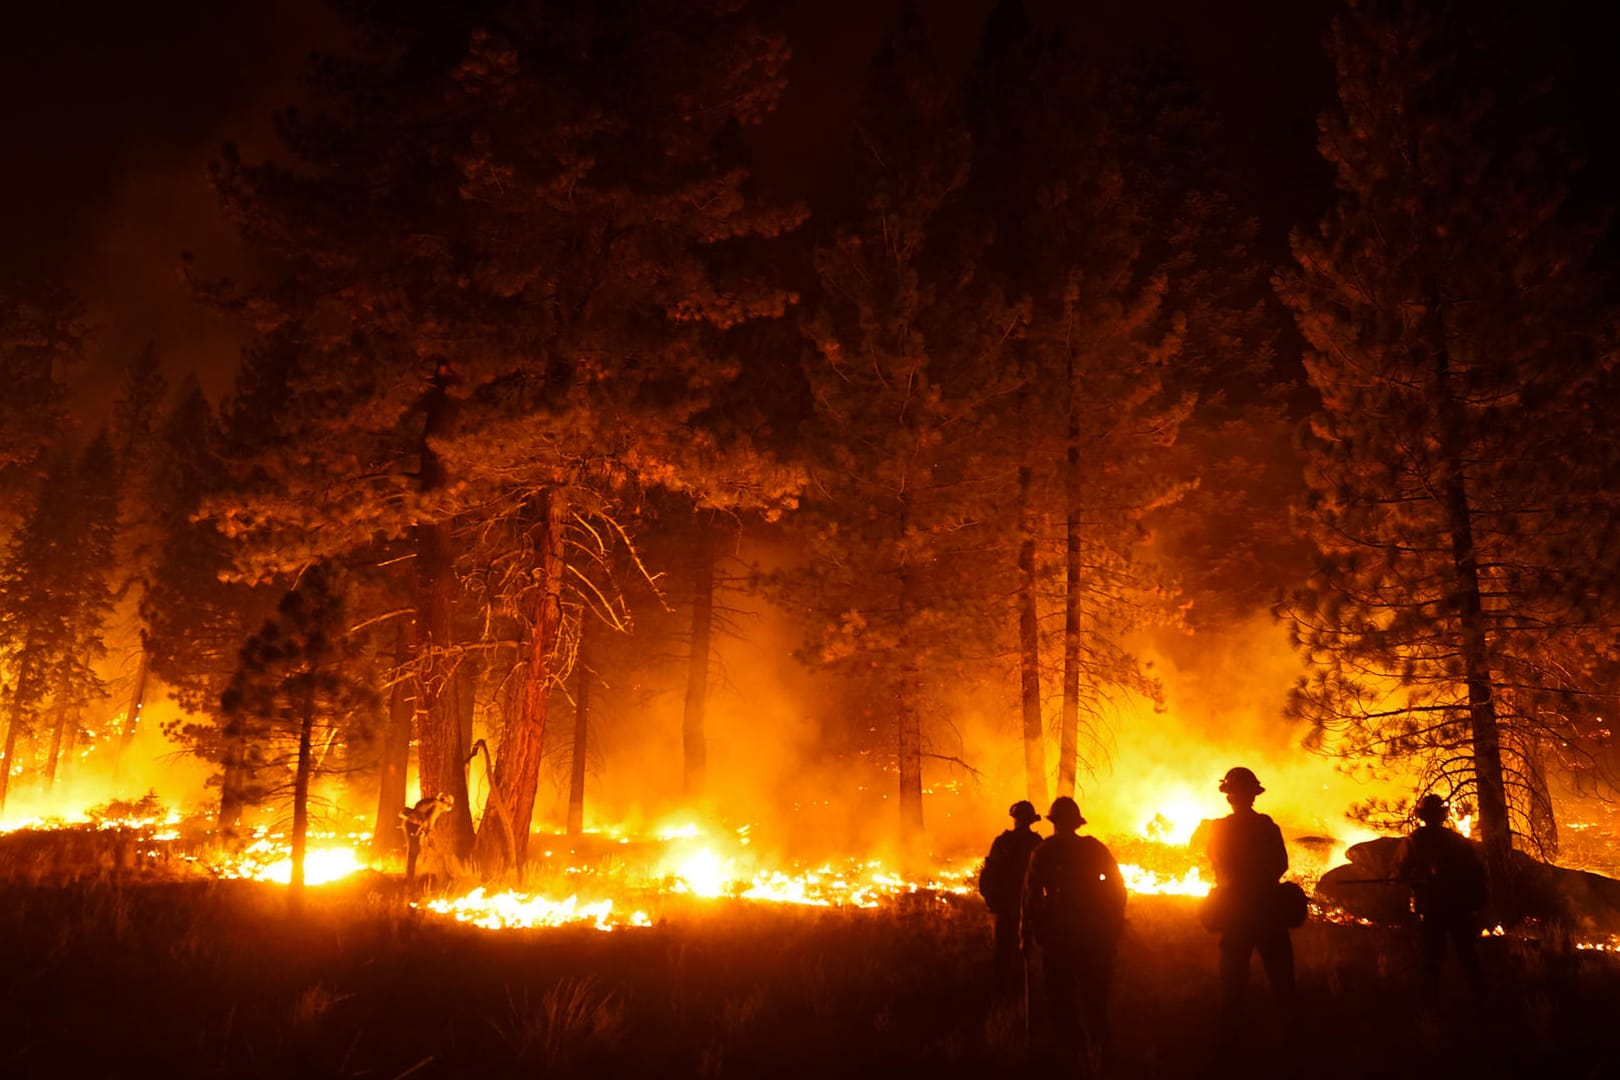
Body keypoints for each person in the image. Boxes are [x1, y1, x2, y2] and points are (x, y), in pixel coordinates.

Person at [1021, 796, 1127, 1067]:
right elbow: (1118, 889)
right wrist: (1112, 925)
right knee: (1095, 997)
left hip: (1060, 938)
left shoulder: (1045, 851)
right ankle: (1100, 1052)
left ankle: (1076, 1052)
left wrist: (1028, 932)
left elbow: (1031, 896)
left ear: (1054, 823)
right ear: (1076, 823)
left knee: (1060, 998)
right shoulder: (1093, 849)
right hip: (1092, 936)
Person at [1206, 766, 1294, 1041]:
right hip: (1269, 911)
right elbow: (1281, 864)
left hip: (1236, 912)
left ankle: (1229, 1043)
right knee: (1282, 980)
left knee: (1232, 982)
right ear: (1254, 796)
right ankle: (1291, 1039)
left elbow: (1216, 863)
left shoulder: (1219, 829)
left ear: (1229, 796)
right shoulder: (1268, 826)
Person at [1396, 793, 1486, 1007]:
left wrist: (1407, 880)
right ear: (1442, 816)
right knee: (1468, 955)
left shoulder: (1415, 840)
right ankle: (1481, 997)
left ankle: (1430, 1003)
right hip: (1459, 907)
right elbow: (1475, 871)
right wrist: (1476, 902)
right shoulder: (1456, 840)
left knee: (1431, 958)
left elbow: (1400, 871)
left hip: (1432, 907)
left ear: (1423, 816)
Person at [978, 799, 1044, 997]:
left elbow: (988, 875)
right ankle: (1019, 993)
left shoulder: (1003, 842)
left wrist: (992, 900)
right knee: (1023, 952)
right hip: (1025, 906)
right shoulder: (1036, 844)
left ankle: (1003, 993)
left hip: (1008, 906)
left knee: (1004, 951)